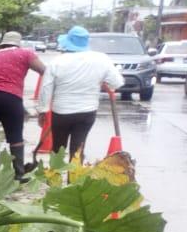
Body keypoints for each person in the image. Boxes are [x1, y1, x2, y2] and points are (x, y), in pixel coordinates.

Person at [37, 25, 124, 160]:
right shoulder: (101, 59)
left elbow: (46, 88)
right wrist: (100, 83)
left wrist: (42, 111)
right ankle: (75, 179)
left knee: (58, 148)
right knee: (78, 149)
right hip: (87, 112)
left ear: (68, 42)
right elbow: (117, 83)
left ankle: (54, 179)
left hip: (61, 112)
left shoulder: (58, 61)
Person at [0, 31, 46, 178]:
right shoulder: (25, 54)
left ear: (3, 43)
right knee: (15, 136)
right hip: (11, 98)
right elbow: (44, 71)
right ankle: (19, 174)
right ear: (18, 43)